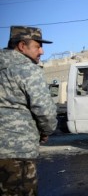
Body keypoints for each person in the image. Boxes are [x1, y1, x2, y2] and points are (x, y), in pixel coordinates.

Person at [0, 26, 57, 195]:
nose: (42, 51)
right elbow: (45, 110)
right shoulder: (28, 70)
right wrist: (46, 131)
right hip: (17, 152)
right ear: (21, 46)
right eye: (37, 46)